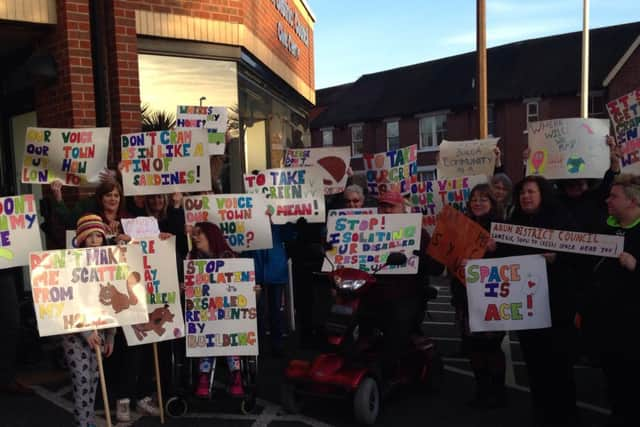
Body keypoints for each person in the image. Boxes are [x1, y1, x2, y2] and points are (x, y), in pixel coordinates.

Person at [497, 175, 579, 426]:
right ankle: (541, 411)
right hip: (528, 308)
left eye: (531, 192)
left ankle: (565, 414)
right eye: (522, 193)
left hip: (557, 306)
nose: (525, 197)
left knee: (559, 364)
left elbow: (579, 258)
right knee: (534, 363)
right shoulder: (514, 224)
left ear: (542, 194)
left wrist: (558, 258)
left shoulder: (562, 220)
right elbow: (504, 258)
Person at [579, 174, 640, 427]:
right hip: (607, 322)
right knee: (613, 376)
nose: (608, 200)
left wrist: (637, 266)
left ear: (633, 202)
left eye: (614, 196)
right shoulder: (605, 228)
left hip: (634, 324)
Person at [452, 184, 506, 408]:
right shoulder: (462, 226)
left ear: (492, 203)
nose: (477, 203)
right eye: (474, 199)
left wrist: (497, 249)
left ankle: (498, 391)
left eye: (483, 199)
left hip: (493, 295)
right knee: (473, 347)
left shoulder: (502, 228)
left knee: (491, 346)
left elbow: (515, 258)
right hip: (465, 294)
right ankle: (482, 389)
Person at [63, 214, 116, 427]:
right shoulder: (70, 265)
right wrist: (86, 332)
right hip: (75, 333)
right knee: (81, 380)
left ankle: (89, 420)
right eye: (90, 236)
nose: (95, 240)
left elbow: (114, 303)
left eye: (99, 236)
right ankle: (82, 422)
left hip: (100, 330)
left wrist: (111, 335)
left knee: (94, 380)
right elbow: (68, 300)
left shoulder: (108, 264)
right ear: (82, 238)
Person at [187, 221, 245, 398]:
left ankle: (236, 374)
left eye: (199, 233)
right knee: (207, 332)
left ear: (210, 236)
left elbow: (241, 288)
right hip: (203, 312)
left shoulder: (229, 257)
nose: (195, 237)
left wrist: (252, 290)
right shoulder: (192, 258)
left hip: (227, 311)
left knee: (227, 331)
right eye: (194, 234)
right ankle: (204, 375)